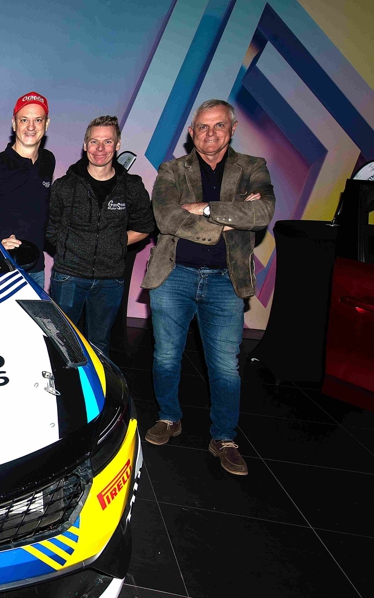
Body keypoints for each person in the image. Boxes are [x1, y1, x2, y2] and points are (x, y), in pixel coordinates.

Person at [140, 99, 275, 476]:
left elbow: (263, 213)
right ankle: (169, 418)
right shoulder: (171, 170)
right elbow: (166, 218)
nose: (210, 133)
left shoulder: (253, 167)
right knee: (166, 356)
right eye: (202, 126)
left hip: (226, 281)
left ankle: (225, 438)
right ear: (191, 132)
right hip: (173, 276)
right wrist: (231, 217)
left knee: (225, 366)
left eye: (218, 126)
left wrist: (203, 208)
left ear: (232, 129)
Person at [46, 115, 155, 355]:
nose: (100, 149)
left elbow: (145, 226)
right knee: (62, 344)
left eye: (107, 142)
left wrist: (114, 243)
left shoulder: (132, 186)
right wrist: (72, 247)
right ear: (85, 145)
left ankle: (98, 381)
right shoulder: (65, 186)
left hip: (110, 280)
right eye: (94, 141)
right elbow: (51, 228)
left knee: (100, 345)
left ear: (117, 145)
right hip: (69, 277)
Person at [0, 91, 55, 289]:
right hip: (1, 270)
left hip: (37, 271)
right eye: (24, 119)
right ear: (14, 123)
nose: (31, 127)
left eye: (38, 120)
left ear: (46, 124)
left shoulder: (48, 161)